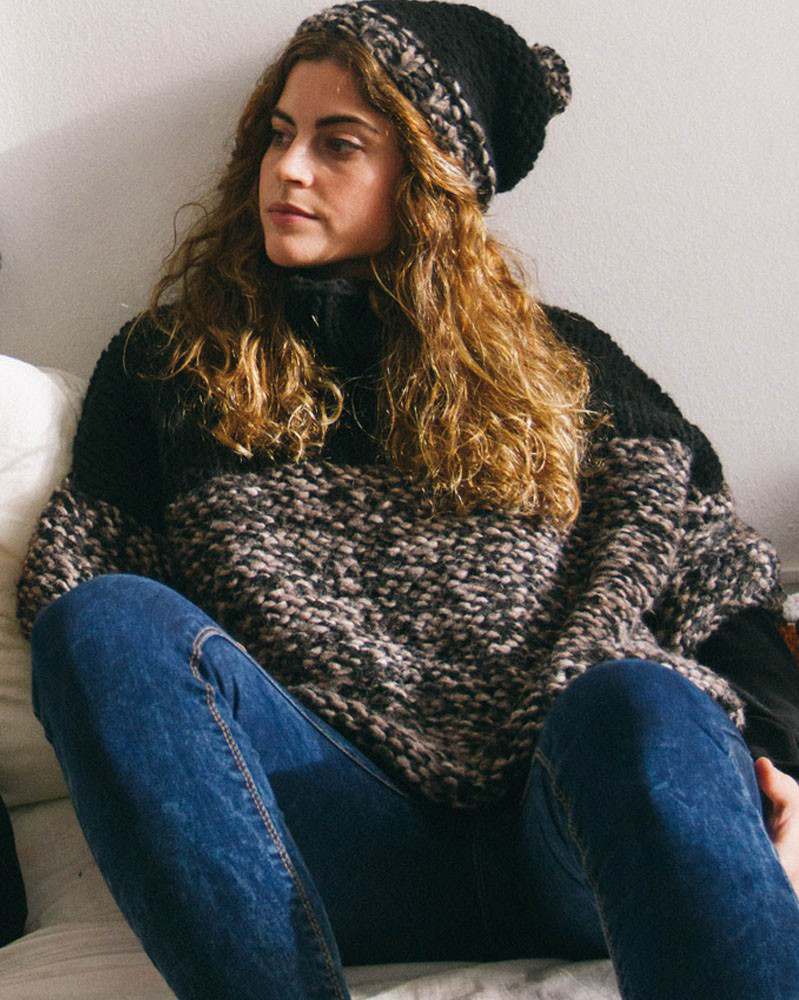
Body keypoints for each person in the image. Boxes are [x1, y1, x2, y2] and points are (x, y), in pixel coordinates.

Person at [15, 2, 799, 997]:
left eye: (337, 143)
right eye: (278, 134)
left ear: (429, 179)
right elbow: (89, 616)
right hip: (316, 835)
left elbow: (722, 582)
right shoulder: (167, 368)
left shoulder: (570, 366)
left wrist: (779, 763)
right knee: (102, 616)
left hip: (564, 829)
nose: (288, 170)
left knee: (642, 698)